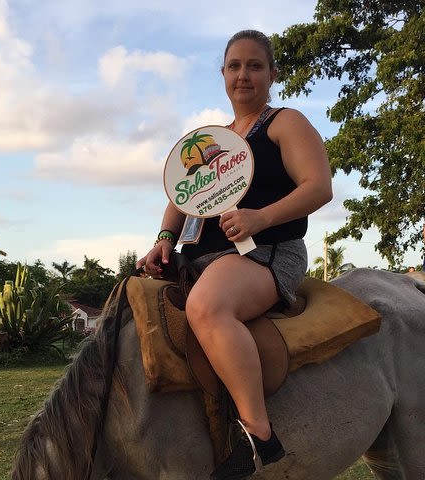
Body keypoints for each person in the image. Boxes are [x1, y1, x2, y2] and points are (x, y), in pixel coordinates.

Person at [137, 29, 332, 479]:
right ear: (223, 74)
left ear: (272, 74)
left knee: (207, 307)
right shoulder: (213, 139)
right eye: (235, 66)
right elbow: (182, 195)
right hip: (202, 257)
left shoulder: (285, 122)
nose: (243, 75)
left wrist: (260, 218)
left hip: (266, 251)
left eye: (255, 66)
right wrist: (165, 238)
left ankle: (258, 435)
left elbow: (318, 187)